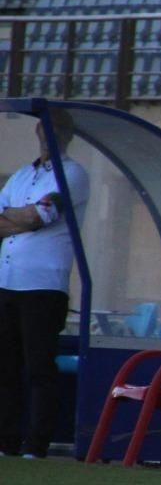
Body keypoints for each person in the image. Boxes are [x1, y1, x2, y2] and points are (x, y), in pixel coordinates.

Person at [0, 109, 88, 459]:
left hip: (44, 284)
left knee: (39, 366)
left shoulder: (73, 174)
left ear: (69, 135)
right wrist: (22, 218)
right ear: (39, 130)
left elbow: (43, 215)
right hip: (7, 281)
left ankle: (36, 445)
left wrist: (17, 218)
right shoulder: (22, 175)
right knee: (5, 366)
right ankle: (6, 441)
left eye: (60, 129)